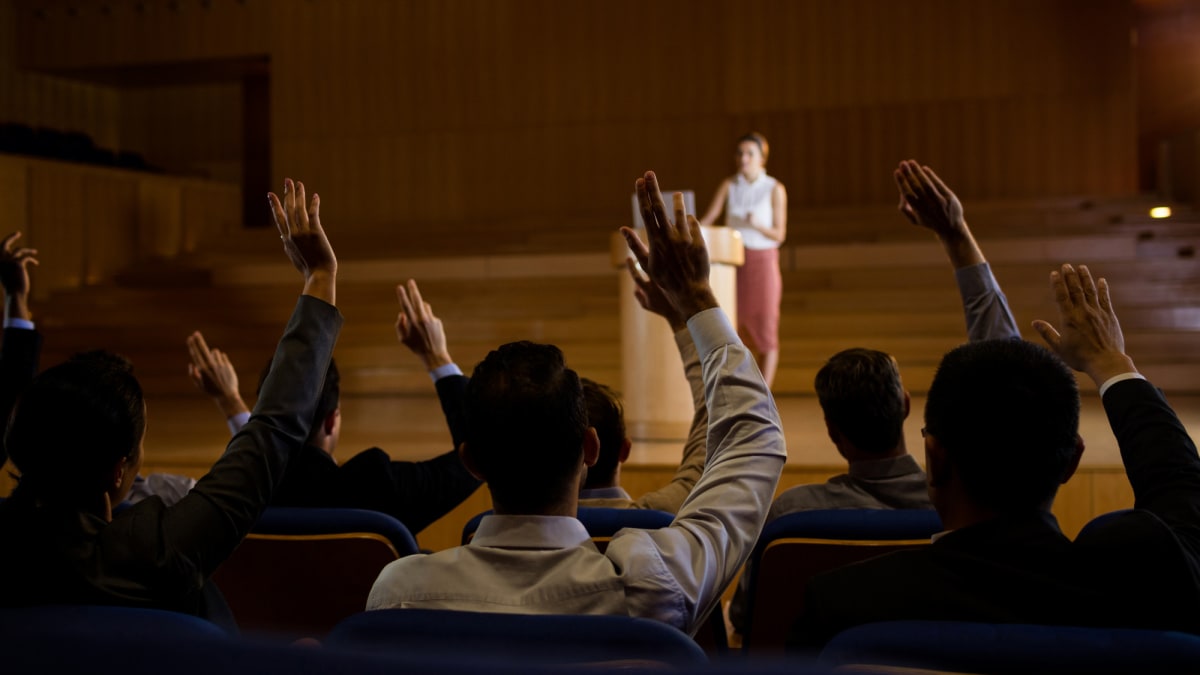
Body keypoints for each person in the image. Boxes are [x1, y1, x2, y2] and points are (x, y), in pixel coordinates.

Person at [366, 171, 787, 635]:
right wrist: (697, 301)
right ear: (591, 449)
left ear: (471, 461)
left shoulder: (398, 595)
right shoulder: (651, 586)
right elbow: (754, 442)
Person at [787, 262, 1200, 649]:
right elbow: (1181, 489)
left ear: (935, 459)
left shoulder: (840, 605)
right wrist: (1112, 363)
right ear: (1071, 461)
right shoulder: (1144, 585)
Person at [0, 178, 343, 620]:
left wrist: (15, 303)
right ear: (119, 468)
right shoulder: (151, 552)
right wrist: (320, 277)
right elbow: (270, 436)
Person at [727, 160, 1018, 634]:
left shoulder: (793, 516)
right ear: (905, 405)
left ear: (832, 433)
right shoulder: (968, 510)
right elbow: (1005, 370)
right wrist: (956, 234)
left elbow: (748, 621)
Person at [186, 280, 481, 534]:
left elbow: (259, 460)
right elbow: (483, 454)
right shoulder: (377, 486)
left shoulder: (235, 494)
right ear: (331, 421)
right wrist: (436, 357)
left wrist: (231, 403)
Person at [576, 257, 707, 512]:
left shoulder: (504, 532)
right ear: (625, 449)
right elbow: (716, 419)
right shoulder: (668, 514)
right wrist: (678, 318)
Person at [699, 132, 787, 387]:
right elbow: (710, 217)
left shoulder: (774, 188)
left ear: (762, 158)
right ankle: (742, 389)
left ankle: (764, 393)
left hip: (762, 261)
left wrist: (757, 224)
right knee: (733, 326)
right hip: (734, 263)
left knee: (765, 327)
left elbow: (780, 234)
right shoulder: (730, 185)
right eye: (740, 153)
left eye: (750, 153)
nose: (743, 158)